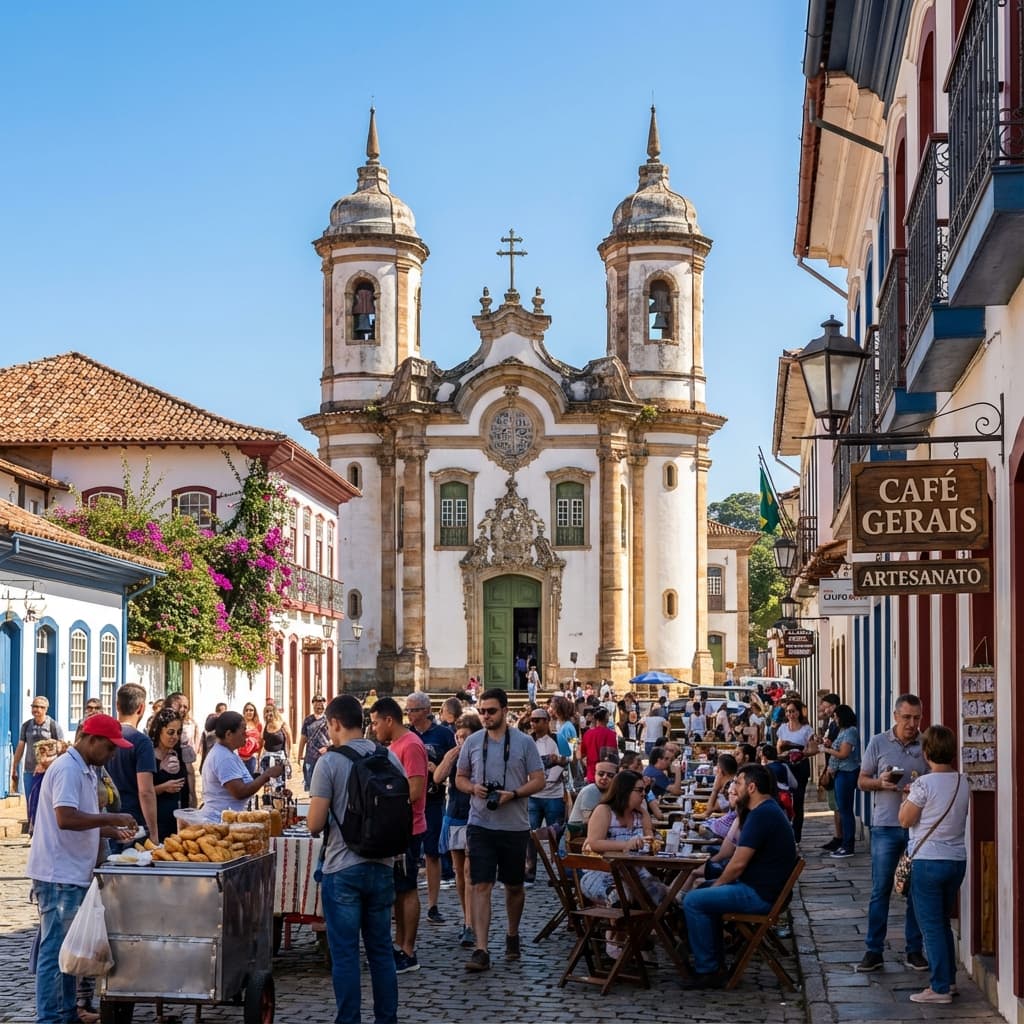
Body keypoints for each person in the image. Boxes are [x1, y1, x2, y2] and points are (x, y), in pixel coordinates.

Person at [27, 714, 137, 1024]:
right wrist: (109, 820)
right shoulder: (68, 769)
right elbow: (66, 818)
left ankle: (66, 1013)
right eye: (109, 747)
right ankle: (49, 1018)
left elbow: (80, 821)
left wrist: (110, 833)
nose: (113, 755)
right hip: (58, 874)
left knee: (68, 952)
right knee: (54, 951)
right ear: (91, 740)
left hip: (73, 871)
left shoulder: (87, 769)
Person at [307, 695, 401, 1024]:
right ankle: (387, 1019)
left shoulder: (329, 763)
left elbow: (315, 824)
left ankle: (349, 1020)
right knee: (380, 951)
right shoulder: (388, 756)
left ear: (334, 723)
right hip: (383, 864)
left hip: (342, 867)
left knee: (345, 954)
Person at [682, 763, 798, 986]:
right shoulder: (765, 811)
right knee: (704, 890)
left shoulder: (761, 815)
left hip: (760, 894)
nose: (734, 786)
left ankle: (708, 970)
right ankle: (715, 962)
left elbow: (737, 865)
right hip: (762, 888)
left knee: (693, 901)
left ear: (751, 787)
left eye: (738, 782)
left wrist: (719, 885)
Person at [455, 687, 544, 972]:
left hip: (514, 825)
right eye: (481, 711)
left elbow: (539, 780)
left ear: (505, 711)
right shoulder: (472, 743)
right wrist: (473, 788)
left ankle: (512, 934)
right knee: (481, 884)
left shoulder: (524, 742)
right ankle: (482, 949)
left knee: (514, 886)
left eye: (491, 711)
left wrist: (514, 794)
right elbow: (459, 778)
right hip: (480, 823)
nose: (485, 716)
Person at [855, 693, 930, 973]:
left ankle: (914, 950)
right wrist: (880, 783)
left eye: (917, 718)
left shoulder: (925, 745)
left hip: (916, 829)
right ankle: (874, 950)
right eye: (907, 717)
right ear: (895, 716)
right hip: (886, 825)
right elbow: (861, 781)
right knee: (880, 890)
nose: (912, 723)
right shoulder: (878, 742)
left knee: (915, 892)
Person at [898, 725, 969, 1004]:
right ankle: (948, 980)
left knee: (931, 926)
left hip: (928, 860)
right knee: (941, 922)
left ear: (926, 752)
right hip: (956, 860)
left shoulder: (923, 784)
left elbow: (905, 820)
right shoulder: (962, 781)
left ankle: (939, 988)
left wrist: (906, 798)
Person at [370, 696, 427, 974]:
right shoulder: (394, 746)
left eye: (375, 722)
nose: (373, 728)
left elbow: (415, 790)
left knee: (407, 889)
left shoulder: (412, 745)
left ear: (389, 720)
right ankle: (399, 944)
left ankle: (408, 949)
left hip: (408, 828)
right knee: (398, 890)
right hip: (395, 828)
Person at [403, 691, 455, 928]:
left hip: (433, 800)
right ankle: (405, 900)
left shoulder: (444, 734)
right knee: (409, 855)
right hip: (408, 802)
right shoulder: (405, 734)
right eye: (407, 710)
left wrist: (437, 768)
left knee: (433, 853)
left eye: (412, 710)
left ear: (425, 710)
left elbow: (453, 767)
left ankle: (433, 905)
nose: (409, 714)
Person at [434, 712, 483, 949]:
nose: (462, 740)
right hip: (454, 813)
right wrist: (449, 758)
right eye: (459, 736)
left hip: (474, 816)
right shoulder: (453, 755)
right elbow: (437, 778)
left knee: (469, 870)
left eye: (466, 736)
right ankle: (467, 919)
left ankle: (471, 924)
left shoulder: (481, 756)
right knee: (458, 871)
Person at [200, 710, 285, 819]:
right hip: (220, 820)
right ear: (229, 734)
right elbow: (240, 792)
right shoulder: (223, 757)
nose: (246, 735)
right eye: (243, 732)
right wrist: (266, 775)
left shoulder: (229, 753)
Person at [105, 683, 159, 845]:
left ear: (117, 706)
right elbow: (146, 791)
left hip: (104, 816)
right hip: (132, 818)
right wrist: (154, 832)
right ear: (141, 708)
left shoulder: (102, 738)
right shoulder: (141, 742)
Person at [523, 708, 566, 882]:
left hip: (554, 794)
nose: (533, 723)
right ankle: (529, 870)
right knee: (530, 834)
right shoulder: (528, 741)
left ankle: (558, 870)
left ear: (547, 721)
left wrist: (555, 767)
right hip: (533, 794)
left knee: (555, 834)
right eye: (532, 720)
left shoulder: (557, 739)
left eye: (537, 720)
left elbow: (567, 760)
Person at [775, 699, 817, 844]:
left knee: (798, 801)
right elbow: (778, 749)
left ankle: (796, 834)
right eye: (788, 711)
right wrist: (783, 752)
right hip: (785, 767)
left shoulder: (806, 729)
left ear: (799, 712)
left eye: (793, 711)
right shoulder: (783, 729)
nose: (790, 714)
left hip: (800, 767)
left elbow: (813, 749)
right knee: (783, 799)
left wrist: (801, 753)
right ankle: (785, 831)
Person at [821, 703, 861, 859]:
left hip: (846, 773)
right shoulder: (843, 731)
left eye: (836, 717)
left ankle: (848, 845)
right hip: (839, 773)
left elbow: (843, 754)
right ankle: (845, 843)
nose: (835, 720)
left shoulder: (851, 731)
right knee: (842, 808)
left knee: (845, 810)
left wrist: (827, 750)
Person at [11, 696, 64, 805]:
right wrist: (15, 766)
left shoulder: (53, 725)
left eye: (41, 707)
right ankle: (31, 821)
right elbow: (20, 746)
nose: (37, 709)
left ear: (46, 709)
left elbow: (61, 747)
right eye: (35, 706)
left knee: (47, 801)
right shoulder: (26, 726)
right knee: (31, 800)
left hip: (49, 770)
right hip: (30, 769)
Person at [147, 708, 189, 842]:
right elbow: (142, 792)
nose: (175, 737)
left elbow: (185, 786)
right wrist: (163, 787)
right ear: (159, 730)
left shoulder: (177, 753)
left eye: (178, 732)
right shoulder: (148, 755)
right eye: (170, 732)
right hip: (156, 819)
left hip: (176, 818)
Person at [816, 692, 842, 851]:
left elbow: (837, 747)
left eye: (826, 707)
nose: (824, 711)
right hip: (831, 765)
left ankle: (840, 837)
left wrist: (826, 744)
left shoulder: (837, 724)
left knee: (837, 805)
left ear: (833, 706)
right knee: (835, 805)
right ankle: (838, 836)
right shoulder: (831, 723)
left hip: (835, 767)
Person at [567, 756, 619, 826]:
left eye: (610, 775)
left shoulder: (611, 792)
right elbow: (589, 821)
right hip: (578, 833)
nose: (604, 777)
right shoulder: (591, 790)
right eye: (601, 774)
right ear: (595, 774)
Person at [578, 706, 617, 783]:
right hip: (605, 777)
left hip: (591, 774)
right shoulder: (611, 734)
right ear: (607, 718)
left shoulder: (587, 733)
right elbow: (612, 757)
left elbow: (582, 755)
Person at [298, 695, 329, 791]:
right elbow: (303, 738)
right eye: (317, 703)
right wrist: (299, 755)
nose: (319, 706)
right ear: (313, 704)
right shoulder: (308, 720)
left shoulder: (328, 720)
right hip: (310, 755)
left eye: (322, 703)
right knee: (310, 781)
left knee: (323, 782)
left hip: (324, 755)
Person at [238, 702, 263, 775]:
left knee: (251, 780)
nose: (249, 712)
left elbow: (261, 741)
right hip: (240, 758)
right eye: (247, 710)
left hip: (252, 758)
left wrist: (258, 756)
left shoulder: (258, 725)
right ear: (244, 712)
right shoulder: (239, 723)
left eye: (251, 710)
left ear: (254, 712)